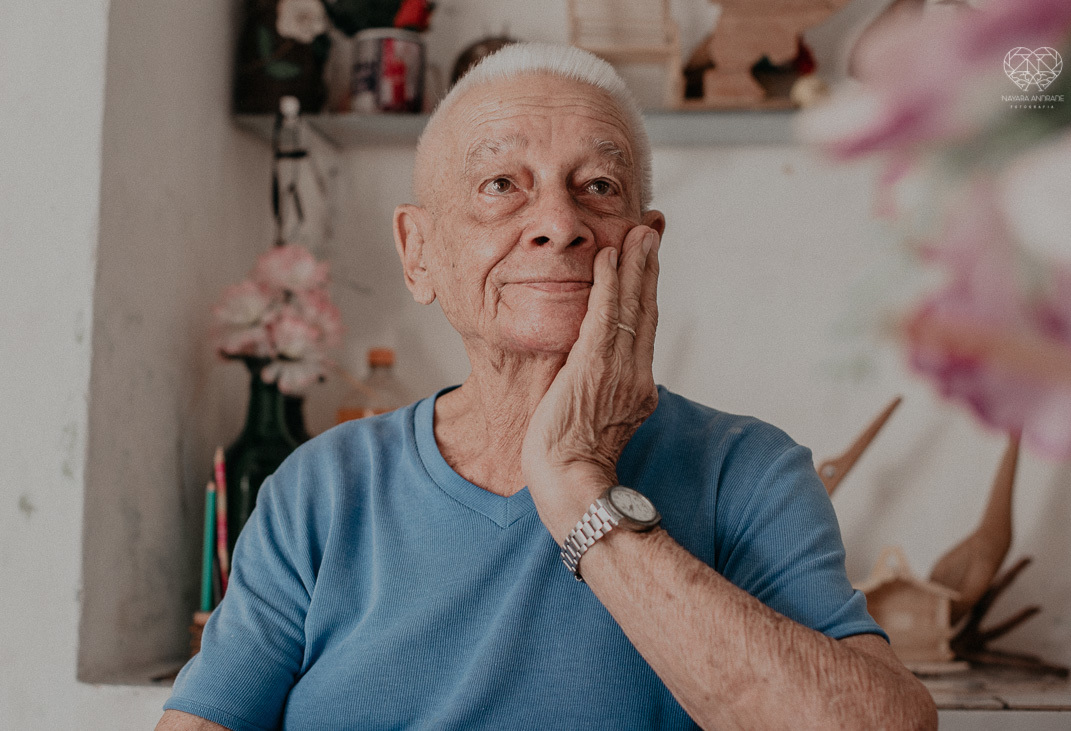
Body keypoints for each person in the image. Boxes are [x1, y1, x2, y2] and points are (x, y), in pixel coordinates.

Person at [158, 43, 937, 730]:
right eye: (501, 183)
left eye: (598, 185)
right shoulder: (321, 490)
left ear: (646, 245)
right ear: (419, 251)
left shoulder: (748, 472)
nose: (559, 223)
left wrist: (576, 484)